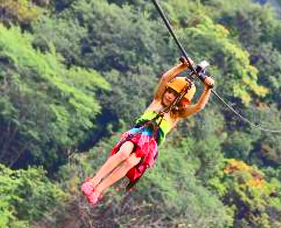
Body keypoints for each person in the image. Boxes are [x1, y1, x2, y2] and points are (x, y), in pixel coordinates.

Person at [81, 58, 215, 204]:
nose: (169, 96)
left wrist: (208, 88)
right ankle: (93, 182)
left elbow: (198, 107)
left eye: (174, 95)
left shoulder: (176, 115)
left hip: (150, 144)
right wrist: (182, 66)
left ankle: (99, 190)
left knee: (130, 162)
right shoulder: (157, 100)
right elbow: (165, 78)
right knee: (124, 153)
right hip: (140, 133)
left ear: (180, 102)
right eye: (169, 92)